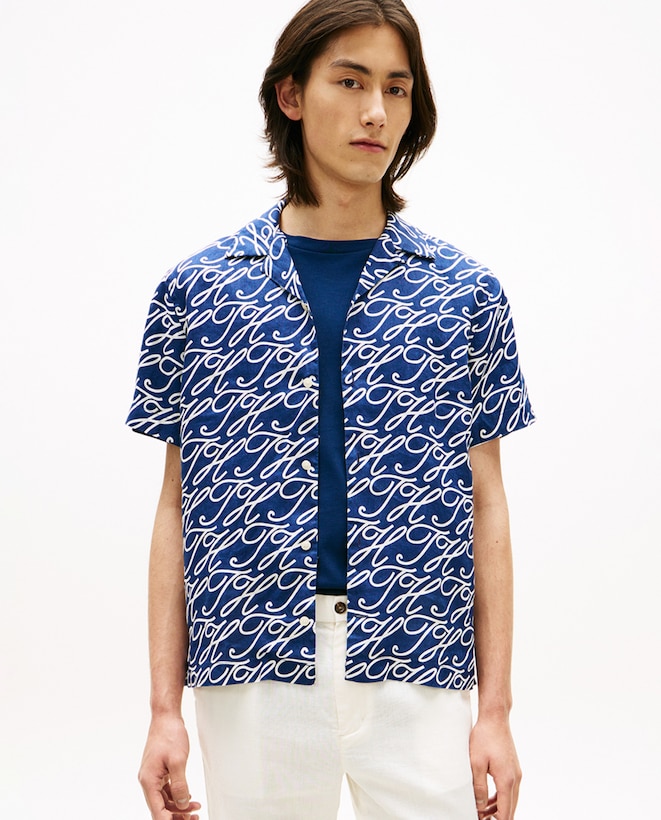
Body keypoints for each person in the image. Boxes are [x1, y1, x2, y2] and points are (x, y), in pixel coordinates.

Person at [127, 1, 535, 818]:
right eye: (349, 82)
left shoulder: (463, 294)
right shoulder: (199, 291)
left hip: (417, 660)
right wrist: (162, 711)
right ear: (290, 95)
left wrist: (494, 711)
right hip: (250, 662)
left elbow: (486, 502)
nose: (375, 112)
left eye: (396, 88)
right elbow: (176, 504)